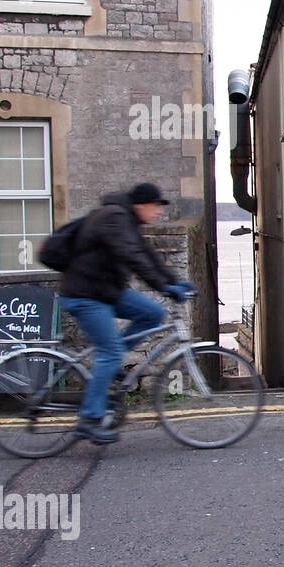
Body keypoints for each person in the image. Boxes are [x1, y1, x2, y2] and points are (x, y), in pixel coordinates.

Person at [58, 183, 195, 445]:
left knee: (152, 313)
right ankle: (89, 418)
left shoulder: (127, 221)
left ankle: (109, 367)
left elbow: (149, 256)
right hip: (85, 294)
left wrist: (175, 281)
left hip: (107, 290)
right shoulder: (114, 218)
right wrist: (165, 287)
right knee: (109, 353)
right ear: (140, 205)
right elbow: (134, 258)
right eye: (155, 207)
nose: (157, 213)